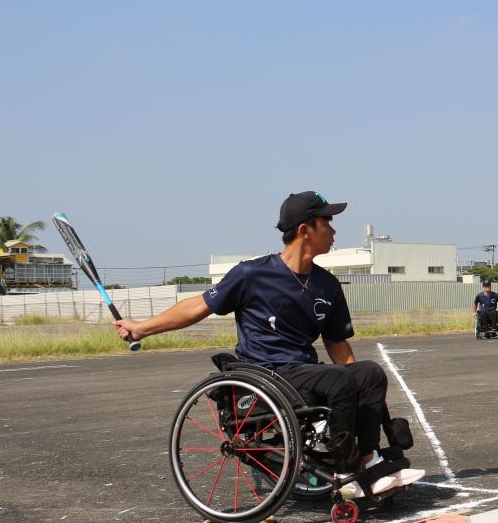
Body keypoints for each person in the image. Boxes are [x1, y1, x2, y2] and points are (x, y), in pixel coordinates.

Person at [114, 191, 419, 496]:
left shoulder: (327, 284)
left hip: (303, 370)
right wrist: (141, 329)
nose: (334, 230)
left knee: (370, 373)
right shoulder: (252, 274)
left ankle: (370, 459)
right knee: (340, 381)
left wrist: (367, 396)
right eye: (327, 221)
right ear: (305, 229)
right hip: (267, 372)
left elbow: (338, 346)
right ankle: (350, 469)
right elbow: (196, 307)